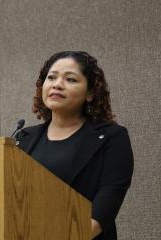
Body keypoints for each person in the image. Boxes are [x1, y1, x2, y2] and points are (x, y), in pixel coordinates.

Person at [15, 51, 134, 240]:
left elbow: (104, 209)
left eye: (70, 79)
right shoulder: (23, 138)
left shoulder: (111, 137)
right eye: (51, 77)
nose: (57, 84)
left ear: (90, 93)